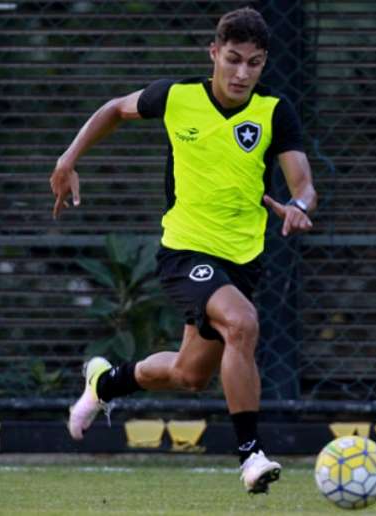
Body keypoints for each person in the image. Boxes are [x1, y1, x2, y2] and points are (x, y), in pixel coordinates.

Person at [49, 7, 317, 495]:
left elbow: (303, 182)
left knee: (188, 374)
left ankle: (104, 383)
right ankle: (251, 455)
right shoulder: (176, 98)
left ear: (264, 64)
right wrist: (68, 159)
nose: (241, 73)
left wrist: (299, 205)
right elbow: (114, 108)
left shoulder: (274, 112)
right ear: (214, 53)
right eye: (232, 59)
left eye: (253, 63)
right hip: (184, 250)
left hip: (242, 258)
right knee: (242, 322)